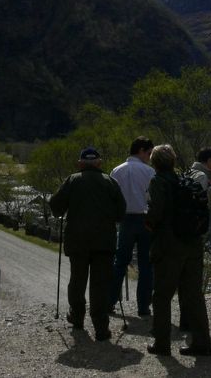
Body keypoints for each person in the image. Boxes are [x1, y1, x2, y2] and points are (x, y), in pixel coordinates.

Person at [50, 146, 126, 341]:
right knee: (100, 284)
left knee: (77, 280)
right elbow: (121, 212)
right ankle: (101, 328)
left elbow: (56, 207)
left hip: (77, 241)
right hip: (104, 242)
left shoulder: (73, 180)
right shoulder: (111, 182)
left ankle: (77, 318)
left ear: (80, 164)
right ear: (99, 163)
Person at [145, 144, 211, 357]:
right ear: (173, 161)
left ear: (154, 163)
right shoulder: (186, 179)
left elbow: (156, 213)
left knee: (162, 295)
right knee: (193, 294)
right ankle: (201, 343)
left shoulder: (158, 181)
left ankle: (162, 344)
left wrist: (148, 224)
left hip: (169, 245)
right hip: (193, 242)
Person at [109, 136, 155, 316]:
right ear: (142, 151)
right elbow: (152, 198)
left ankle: (110, 301)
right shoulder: (149, 172)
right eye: (149, 153)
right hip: (145, 220)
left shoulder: (116, 171)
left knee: (119, 262)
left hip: (125, 220)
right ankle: (143, 307)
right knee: (146, 265)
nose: (150, 156)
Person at [178, 146, 211, 329]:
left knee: (182, 276)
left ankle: (185, 318)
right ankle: (193, 322)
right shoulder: (202, 177)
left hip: (181, 231)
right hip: (194, 231)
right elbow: (200, 203)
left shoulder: (187, 171)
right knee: (192, 278)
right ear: (209, 160)